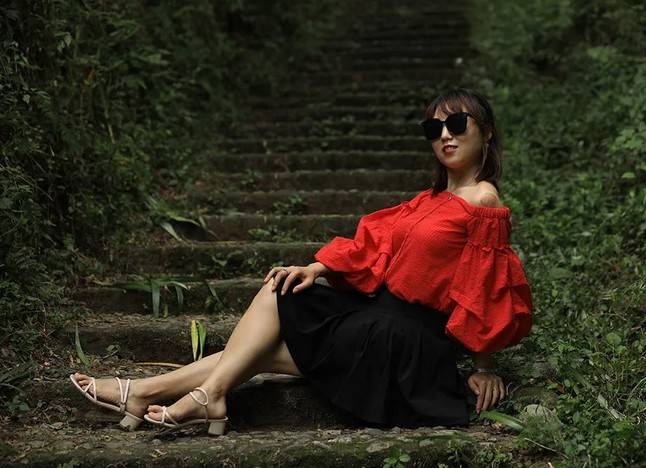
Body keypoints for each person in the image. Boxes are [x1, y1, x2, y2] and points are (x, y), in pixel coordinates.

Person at [69, 87, 534, 436]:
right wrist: (317, 268)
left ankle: (150, 391)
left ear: (486, 131)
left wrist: (483, 366)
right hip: (378, 320)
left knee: (266, 342)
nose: (445, 136)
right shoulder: (428, 200)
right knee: (279, 294)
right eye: (434, 129)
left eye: (457, 125)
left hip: (408, 339)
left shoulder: (483, 200)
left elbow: (484, 286)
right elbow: (375, 245)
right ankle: (174, 393)